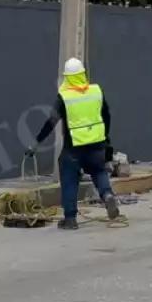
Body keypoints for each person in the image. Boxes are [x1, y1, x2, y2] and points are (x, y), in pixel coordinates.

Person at [27, 58, 121, 229]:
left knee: (69, 177)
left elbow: (51, 122)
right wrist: (105, 137)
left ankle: (70, 219)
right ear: (83, 74)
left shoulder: (64, 97)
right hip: (97, 144)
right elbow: (107, 115)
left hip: (74, 148)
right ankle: (107, 195)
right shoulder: (96, 91)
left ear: (67, 78)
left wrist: (35, 143)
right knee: (99, 171)